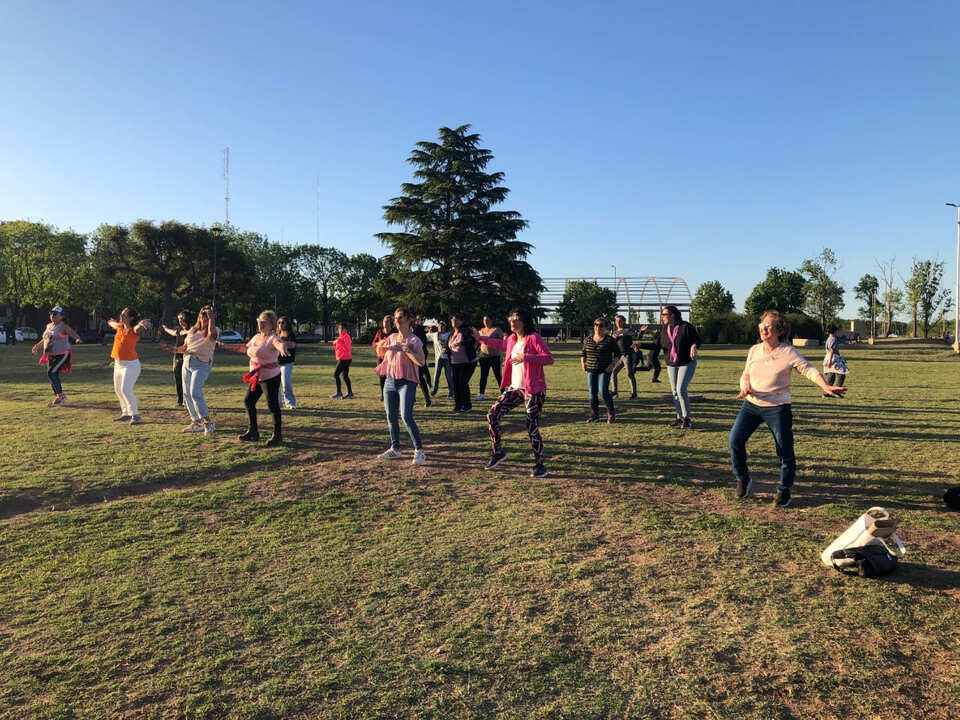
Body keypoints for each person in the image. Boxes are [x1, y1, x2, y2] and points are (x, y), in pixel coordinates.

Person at [730, 310, 848, 507]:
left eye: (768, 326)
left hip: (777, 407)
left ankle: (784, 489)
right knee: (734, 440)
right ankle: (743, 478)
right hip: (751, 404)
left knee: (784, 449)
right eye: (762, 326)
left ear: (779, 330)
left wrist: (825, 386)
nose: (763, 329)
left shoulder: (788, 352)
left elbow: (807, 369)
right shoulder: (754, 350)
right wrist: (744, 386)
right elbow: (746, 374)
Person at [473, 308, 554, 478]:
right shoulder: (511, 339)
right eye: (510, 318)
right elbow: (500, 345)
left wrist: (526, 357)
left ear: (524, 321)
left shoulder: (533, 338)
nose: (512, 322)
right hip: (515, 388)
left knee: (531, 425)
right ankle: (498, 452)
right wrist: (480, 338)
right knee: (492, 415)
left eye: (516, 319)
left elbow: (548, 358)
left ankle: (540, 465)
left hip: (534, 390)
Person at [220, 310, 290, 446]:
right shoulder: (256, 337)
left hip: (270, 377)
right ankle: (253, 432)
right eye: (259, 321)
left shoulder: (273, 338)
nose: (260, 324)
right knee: (249, 401)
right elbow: (244, 348)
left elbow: (279, 344)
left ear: (271, 324)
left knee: (272, 405)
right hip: (256, 377)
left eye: (263, 322)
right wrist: (226, 346)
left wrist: (283, 348)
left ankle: (277, 436)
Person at [375, 307, 426, 465]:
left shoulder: (414, 340)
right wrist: (380, 347)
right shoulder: (392, 337)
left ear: (409, 319)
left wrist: (407, 350)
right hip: (390, 381)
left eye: (400, 318)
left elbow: (421, 362)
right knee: (391, 416)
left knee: (406, 416)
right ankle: (395, 449)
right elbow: (380, 352)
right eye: (395, 318)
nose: (396, 321)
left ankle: (419, 450)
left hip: (407, 382)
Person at [163, 306, 219, 434]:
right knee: (187, 394)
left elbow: (213, 335)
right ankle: (196, 422)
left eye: (208, 315)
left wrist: (211, 318)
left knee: (195, 392)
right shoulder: (193, 330)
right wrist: (173, 349)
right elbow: (185, 347)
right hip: (187, 361)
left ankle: (208, 422)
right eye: (202, 314)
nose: (204, 316)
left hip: (202, 364)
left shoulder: (215, 329)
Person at [107, 307, 152, 425]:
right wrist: (110, 321)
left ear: (131, 318)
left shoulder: (134, 330)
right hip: (118, 363)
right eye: (121, 314)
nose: (121, 316)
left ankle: (135, 415)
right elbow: (112, 323)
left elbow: (138, 327)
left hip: (131, 365)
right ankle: (126, 413)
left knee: (125, 389)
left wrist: (142, 324)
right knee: (118, 390)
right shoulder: (120, 327)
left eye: (124, 315)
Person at [658, 305, 700, 429]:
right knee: (675, 392)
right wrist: (639, 345)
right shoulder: (665, 329)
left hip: (687, 362)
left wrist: (693, 346)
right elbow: (657, 345)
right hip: (672, 364)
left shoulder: (685, 327)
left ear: (672, 315)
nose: (662, 317)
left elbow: (696, 339)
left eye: (664, 314)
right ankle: (679, 418)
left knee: (681, 389)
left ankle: (687, 419)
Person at [32, 306, 82, 407]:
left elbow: (73, 333)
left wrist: (77, 339)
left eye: (55, 314)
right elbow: (45, 339)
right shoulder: (49, 326)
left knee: (52, 372)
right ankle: (59, 396)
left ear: (61, 316)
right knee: (51, 375)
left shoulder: (63, 326)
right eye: (51, 314)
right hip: (51, 354)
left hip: (63, 353)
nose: (52, 316)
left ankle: (61, 396)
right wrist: (37, 346)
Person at [581, 316, 620, 423]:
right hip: (591, 369)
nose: (598, 327)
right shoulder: (588, 340)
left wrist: (612, 365)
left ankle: (611, 413)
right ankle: (595, 415)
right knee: (592, 393)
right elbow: (583, 353)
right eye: (596, 325)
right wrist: (583, 363)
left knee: (603, 391)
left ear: (606, 328)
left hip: (604, 370)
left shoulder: (610, 340)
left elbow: (618, 354)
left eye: (601, 325)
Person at [161, 311, 193, 407]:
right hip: (178, 357)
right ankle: (180, 400)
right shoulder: (179, 330)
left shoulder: (192, 330)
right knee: (178, 379)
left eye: (182, 319)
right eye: (179, 319)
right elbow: (173, 332)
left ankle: (189, 400)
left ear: (187, 318)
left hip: (189, 357)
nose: (180, 321)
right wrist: (165, 329)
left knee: (188, 381)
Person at [448, 312, 478, 412]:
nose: (454, 321)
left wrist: (462, 343)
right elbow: (449, 345)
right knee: (456, 384)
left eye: (456, 319)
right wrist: (446, 349)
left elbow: (472, 341)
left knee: (462, 383)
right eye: (452, 319)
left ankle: (467, 406)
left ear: (462, 321)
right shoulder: (452, 332)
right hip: (454, 362)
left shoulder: (466, 331)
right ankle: (458, 406)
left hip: (467, 362)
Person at [476, 315, 504, 401]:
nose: (486, 322)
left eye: (488, 320)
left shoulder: (497, 330)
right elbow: (477, 342)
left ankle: (503, 393)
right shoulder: (480, 331)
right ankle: (481, 393)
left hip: (495, 356)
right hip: (483, 356)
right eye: (484, 320)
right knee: (483, 376)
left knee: (498, 375)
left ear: (491, 321)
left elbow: (502, 342)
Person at [610, 314, 638, 399]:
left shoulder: (628, 331)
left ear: (624, 322)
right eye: (616, 321)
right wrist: (613, 339)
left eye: (620, 321)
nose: (618, 323)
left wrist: (642, 331)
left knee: (629, 374)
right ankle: (615, 392)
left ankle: (634, 394)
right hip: (619, 357)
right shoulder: (614, 333)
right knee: (613, 373)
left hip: (627, 355)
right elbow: (611, 344)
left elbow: (637, 336)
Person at [411, 316, 433, 407]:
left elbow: (423, 342)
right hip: (409, 356)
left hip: (420, 354)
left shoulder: (418, 328)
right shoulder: (405, 329)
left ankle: (427, 399)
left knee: (419, 377)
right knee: (412, 377)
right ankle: (412, 397)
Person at [371, 315, 395, 401]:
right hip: (381, 357)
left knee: (391, 376)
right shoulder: (380, 332)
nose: (385, 322)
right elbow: (373, 343)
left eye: (387, 321)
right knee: (382, 376)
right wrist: (379, 343)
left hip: (391, 358)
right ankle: (383, 395)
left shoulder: (394, 332)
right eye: (384, 321)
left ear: (391, 323)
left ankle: (392, 394)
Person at [277, 316, 298, 410]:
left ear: (287, 324)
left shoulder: (290, 335)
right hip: (276, 362)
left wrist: (280, 342)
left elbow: (292, 345)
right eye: (279, 323)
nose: (280, 324)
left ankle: (290, 403)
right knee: (276, 384)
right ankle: (277, 403)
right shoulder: (277, 335)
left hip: (287, 362)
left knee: (285, 382)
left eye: (282, 323)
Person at [428, 321, 454, 398]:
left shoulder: (448, 334)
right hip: (438, 358)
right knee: (436, 375)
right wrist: (429, 330)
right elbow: (425, 336)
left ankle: (451, 392)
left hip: (447, 358)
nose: (441, 328)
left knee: (449, 376)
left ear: (445, 327)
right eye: (439, 327)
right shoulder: (434, 335)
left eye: (442, 326)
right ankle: (434, 390)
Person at [822, 324, 849, 396]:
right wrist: (830, 361)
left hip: (828, 357)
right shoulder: (833, 339)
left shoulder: (829, 338)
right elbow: (832, 350)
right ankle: (835, 391)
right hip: (833, 358)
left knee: (831, 375)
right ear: (835, 331)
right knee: (841, 374)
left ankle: (827, 392)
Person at [331, 322, 354, 399]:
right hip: (342, 358)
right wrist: (335, 343)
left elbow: (347, 348)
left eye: (341, 328)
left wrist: (339, 342)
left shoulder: (346, 336)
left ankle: (339, 392)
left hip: (345, 359)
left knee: (336, 374)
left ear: (345, 329)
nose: (339, 330)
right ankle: (349, 393)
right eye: (339, 328)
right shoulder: (340, 337)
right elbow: (337, 348)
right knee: (345, 376)